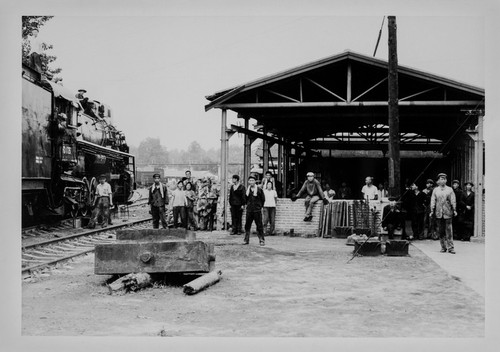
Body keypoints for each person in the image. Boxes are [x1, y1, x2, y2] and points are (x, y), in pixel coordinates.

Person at [430, 173, 457, 254]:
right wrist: (432, 210)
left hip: (448, 212)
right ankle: (443, 247)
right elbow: (433, 200)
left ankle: (451, 248)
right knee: (441, 231)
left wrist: (454, 209)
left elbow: (453, 200)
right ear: (438, 180)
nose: (443, 180)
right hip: (439, 212)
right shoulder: (435, 190)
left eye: (445, 179)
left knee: (449, 230)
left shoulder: (450, 189)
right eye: (441, 179)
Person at [243, 175, 266, 246]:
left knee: (259, 225)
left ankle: (261, 239)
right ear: (248, 182)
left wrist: (259, 207)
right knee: (247, 226)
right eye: (250, 181)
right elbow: (245, 200)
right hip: (249, 210)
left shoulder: (259, 190)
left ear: (255, 181)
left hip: (257, 211)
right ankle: (246, 240)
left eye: (253, 180)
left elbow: (263, 199)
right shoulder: (247, 191)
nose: (251, 182)